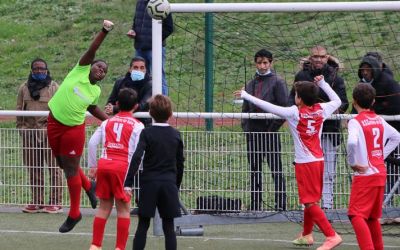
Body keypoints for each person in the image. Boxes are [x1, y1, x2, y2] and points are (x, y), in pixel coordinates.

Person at [235, 75, 342, 249]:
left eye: (296, 94)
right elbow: (337, 100)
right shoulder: (322, 108)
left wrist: (246, 96)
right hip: (319, 160)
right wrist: (323, 83)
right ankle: (307, 235)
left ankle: (331, 235)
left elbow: (270, 107)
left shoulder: (294, 112)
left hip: (305, 164)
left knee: (309, 202)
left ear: (299, 98)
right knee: (311, 200)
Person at [47, 20, 114, 233]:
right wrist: (104, 30)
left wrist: (108, 121)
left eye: (104, 71)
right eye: (99, 66)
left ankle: (74, 214)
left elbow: (93, 108)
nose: (100, 70)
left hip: (74, 130)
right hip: (54, 121)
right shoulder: (80, 70)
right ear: (91, 65)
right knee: (62, 164)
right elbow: (92, 49)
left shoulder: (95, 91)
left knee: (70, 170)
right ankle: (89, 186)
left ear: (103, 76)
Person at [289, 45, 349, 210]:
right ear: (310, 57)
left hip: (329, 130)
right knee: (306, 171)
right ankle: (307, 205)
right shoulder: (301, 75)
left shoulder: (336, 77)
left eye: (322, 56)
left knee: (328, 171)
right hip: (307, 134)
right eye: (315, 56)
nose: (318, 59)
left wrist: (322, 112)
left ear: (327, 57)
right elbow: (290, 99)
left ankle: (328, 205)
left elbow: (343, 102)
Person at [124, 95, 184, 250]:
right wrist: (175, 185)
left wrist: (128, 183)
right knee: (169, 227)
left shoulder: (147, 133)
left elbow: (137, 157)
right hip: (168, 184)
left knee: (143, 225)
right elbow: (180, 163)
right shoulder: (176, 135)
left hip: (149, 183)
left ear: (150, 113)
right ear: (170, 113)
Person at [88, 88, 144, 250]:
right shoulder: (137, 126)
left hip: (105, 165)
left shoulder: (107, 122)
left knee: (104, 207)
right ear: (136, 106)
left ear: (117, 104)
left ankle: (95, 245)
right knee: (124, 210)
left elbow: (92, 143)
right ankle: (119, 247)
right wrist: (136, 172)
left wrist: (93, 167)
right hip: (122, 168)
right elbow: (138, 152)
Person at [347, 83, 400, 250]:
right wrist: (380, 156)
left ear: (354, 101)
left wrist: (353, 163)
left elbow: (351, 142)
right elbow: (396, 137)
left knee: (355, 215)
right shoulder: (378, 119)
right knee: (371, 217)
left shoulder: (355, 121)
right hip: (379, 173)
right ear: (373, 101)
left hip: (366, 175)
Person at [241, 49, 288, 211]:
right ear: (255, 63)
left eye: (266, 62)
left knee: (276, 168)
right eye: (260, 62)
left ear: (271, 63)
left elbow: (284, 108)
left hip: (270, 131)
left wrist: (272, 129)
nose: (262, 66)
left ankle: (281, 204)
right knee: (255, 169)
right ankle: (255, 204)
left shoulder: (278, 82)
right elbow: (245, 109)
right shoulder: (250, 83)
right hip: (253, 133)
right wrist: (247, 129)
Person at [17, 58, 63, 214]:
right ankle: (37, 201)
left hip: (50, 132)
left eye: (42, 69)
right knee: (34, 167)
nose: (39, 71)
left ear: (47, 70)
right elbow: (19, 111)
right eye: (36, 69)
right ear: (31, 70)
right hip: (29, 133)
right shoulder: (24, 88)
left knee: (54, 167)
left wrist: (55, 131)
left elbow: (61, 111)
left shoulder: (54, 87)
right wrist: (22, 129)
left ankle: (56, 201)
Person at [358, 54, 400, 203]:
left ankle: (384, 201)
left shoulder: (389, 83)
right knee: (380, 165)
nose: (365, 72)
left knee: (389, 166)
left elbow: (396, 107)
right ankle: (380, 201)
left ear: (375, 69)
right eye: (363, 70)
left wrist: (374, 114)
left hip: (390, 133)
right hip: (375, 135)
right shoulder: (363, 84)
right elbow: (358, 104)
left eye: (368, 70)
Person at [127, 0, 174, 95]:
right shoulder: (140, 2)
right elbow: (136, 20)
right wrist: (133, 31)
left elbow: (169, 28)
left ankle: (162, 104)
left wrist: (155, 40)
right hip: (139, 48)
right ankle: (142, 103)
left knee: (159, 77)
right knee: (139, 77)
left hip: (155, 49)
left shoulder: (161, 4)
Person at [105, 56, 152, 127]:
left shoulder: (150, 85)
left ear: (145, 70)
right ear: (130, 69)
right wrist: (109, 108)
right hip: (121, 124)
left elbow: (142, 106)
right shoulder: (120, 82)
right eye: (135, 67)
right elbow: (110, 102)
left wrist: (115, 108)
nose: (139, 70)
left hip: (143, 124)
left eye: (142, 68)